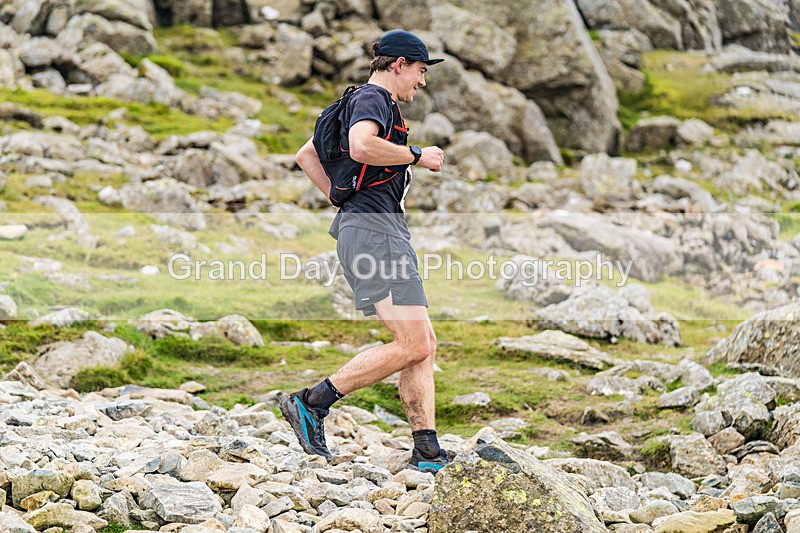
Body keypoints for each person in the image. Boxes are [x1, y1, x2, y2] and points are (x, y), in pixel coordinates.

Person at [281, 30, 449, 472]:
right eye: (421, 71)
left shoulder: (362, 100)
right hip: (376, 233)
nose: (422, 81)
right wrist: (416, 155)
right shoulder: (375, 100)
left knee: (423, 344)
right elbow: (360, 146)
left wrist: (340, 197)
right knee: (412, 342)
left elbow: (305, 155)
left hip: (376, 227)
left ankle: (427, 450)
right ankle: (312, 402)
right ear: (399, 65)